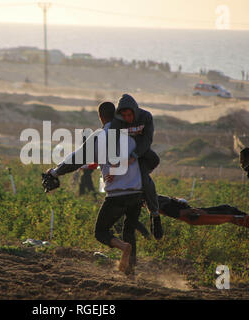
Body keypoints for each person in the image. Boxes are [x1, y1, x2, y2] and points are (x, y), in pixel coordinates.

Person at [45, 101, 144, 274]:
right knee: (129, 231)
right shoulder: (130, 135)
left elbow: (76, 159)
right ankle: (130, 272)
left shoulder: (101, 136)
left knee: (101, 232)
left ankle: (123, 247)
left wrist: (54, 172)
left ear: (100, 117)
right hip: (137, 191)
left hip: (117, 194)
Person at [109, 94, 163, 240]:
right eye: (124, 115)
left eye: (129, 114)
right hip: (123, 158)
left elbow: (147, 140)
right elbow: (112, 143)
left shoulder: (146, 117)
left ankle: (155, 215)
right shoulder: (117, 122)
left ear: (135, 111)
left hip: (142, 155)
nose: (127, 118)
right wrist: (114, 165)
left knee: (144, 180)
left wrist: (134, 155)